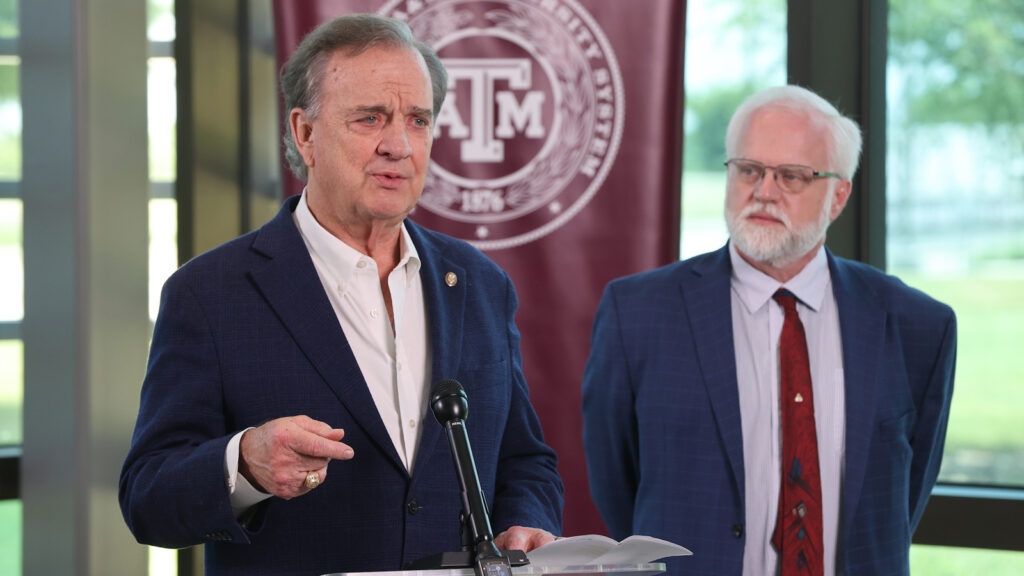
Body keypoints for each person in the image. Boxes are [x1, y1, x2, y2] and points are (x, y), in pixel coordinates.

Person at [120, 14, 563, 576]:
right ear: (305, 133)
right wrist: (245, 466)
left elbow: (524, 460)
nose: (398, 145)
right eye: (370, 118)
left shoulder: (478, 283)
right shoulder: (210, 294)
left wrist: (527, 521)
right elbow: (147, 500)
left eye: (418, 120)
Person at [582, 85, 955, 576]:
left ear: (838, 195)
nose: (763, 191)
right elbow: (616, 482)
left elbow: (903, 496)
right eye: (749, 170)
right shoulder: (638, 312)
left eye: (792, 176)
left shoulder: (916, 325)